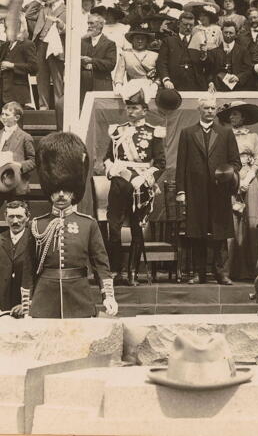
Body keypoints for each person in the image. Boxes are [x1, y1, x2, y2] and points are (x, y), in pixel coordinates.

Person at [30, 132, 118, 318]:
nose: (61, 194)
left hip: (79, 296)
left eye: (67, 190)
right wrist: (25, 301)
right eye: (55, 190)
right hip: (44, 298)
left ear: (74, 192)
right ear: (49, 191)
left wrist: (108, 296)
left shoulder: (88, 224)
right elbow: (28, 268)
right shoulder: (37, 225)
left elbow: (101, 264)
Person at [176, 94, 241, 285]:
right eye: (206, 108)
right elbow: (181, 165)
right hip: (195, 192)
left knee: (220, 233)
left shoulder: (226, 133)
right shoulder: (187, 133)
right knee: (197, 233)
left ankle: (221, 273)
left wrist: (227, 173)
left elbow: (236, 162)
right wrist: (181, 191)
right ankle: (199, 273)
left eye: (213, 108)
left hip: (219, 192)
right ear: (199, 110)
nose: (210, 111)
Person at [104, 90, 166, 286]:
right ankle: (116, 270)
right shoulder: (117, 131)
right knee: (113, 228)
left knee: (137, 230)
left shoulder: (153, 132)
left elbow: (161, 163)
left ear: (144, 110)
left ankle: (132, 273)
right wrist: (112, 169)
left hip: (141, 185)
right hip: (119, 184)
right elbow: (107, 158)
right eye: (129, 108)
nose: (130, 111)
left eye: (135, 108)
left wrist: (146, 178)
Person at [218, 101, 258, 280]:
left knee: (251, 222)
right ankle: (230, 271)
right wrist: (234, 180)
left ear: (243, 117)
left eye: (235, 114)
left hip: (250, 180)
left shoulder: (253, 137)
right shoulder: (225, 135)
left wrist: (247, 179)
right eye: (230, 115)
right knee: (231, 223)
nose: (232, 117)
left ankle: (253, 270)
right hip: (231, 179)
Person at [32, 0, 66, 111]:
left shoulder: (66, 9)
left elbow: (67, 29)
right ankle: (43, 107)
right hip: (41, 45)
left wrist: (60, 24)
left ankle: (60, 108)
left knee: (57, 77)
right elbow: (29, 14)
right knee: (42, 77)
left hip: (55, 46)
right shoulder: (44, 8)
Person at [157, 11, 208, 91]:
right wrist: (166, 79)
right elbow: (162, 62)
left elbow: (206, 65)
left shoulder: (199, 41)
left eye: (191, 25)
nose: (188, 27)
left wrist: (204, 56)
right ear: (178, 24)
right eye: (185, 24)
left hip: (195, 84)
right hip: (174, 84)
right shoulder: (168, 41)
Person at [0, 201, 35, 318]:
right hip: (2, 308)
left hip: (25, 308)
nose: (15, 221)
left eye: (19, 216)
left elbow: (41, 275)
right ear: (5, 217)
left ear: (28, 217)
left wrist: (28, 303)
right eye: (11, 217)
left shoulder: (35, 241)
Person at [0, 101, 36, 205]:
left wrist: (19, 165)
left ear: (16, 118)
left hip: (16, 183)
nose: (3, 117)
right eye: (2, 114)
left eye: (7, 114)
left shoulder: (25, 137)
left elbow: (33, 161)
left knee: (17, 213)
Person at [80, 13, 117, 106]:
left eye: (92, 23)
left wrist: (91, 60)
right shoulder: (82, 42)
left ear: (100, 25)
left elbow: (110, 64)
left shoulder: (109, 44)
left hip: (102, 83)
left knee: (102, 112)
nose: (89, 26)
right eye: (88, 23)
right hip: (83, 85)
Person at [205, 21, 253, 92]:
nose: (228, 35)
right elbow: (210, 72)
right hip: (219, 89)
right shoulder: (213, 52)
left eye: (231, 33)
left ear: (236, 34)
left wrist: (238, 77)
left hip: (239, 89)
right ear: (222, 33)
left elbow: (248, 69)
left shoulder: (243, 51)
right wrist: (211, 83)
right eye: (226, 32)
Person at [114, 27, 158, 99]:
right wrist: (118, 85)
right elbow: (119, 73)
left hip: (150, 86)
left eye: (143, 39)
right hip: (132, 86)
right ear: (132, 40)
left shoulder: (154, 55)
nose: (140, 41)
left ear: (147, 41)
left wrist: (156, 84)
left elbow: (160, 74)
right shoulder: (125, 54)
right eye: (137, 38)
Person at [0, 23, 37, 106]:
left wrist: (12, 65)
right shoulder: (4, 46)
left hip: (17, 93)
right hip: (2, 92)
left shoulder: (27, 45)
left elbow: (33, 68)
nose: (4, 31)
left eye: (7, 29)